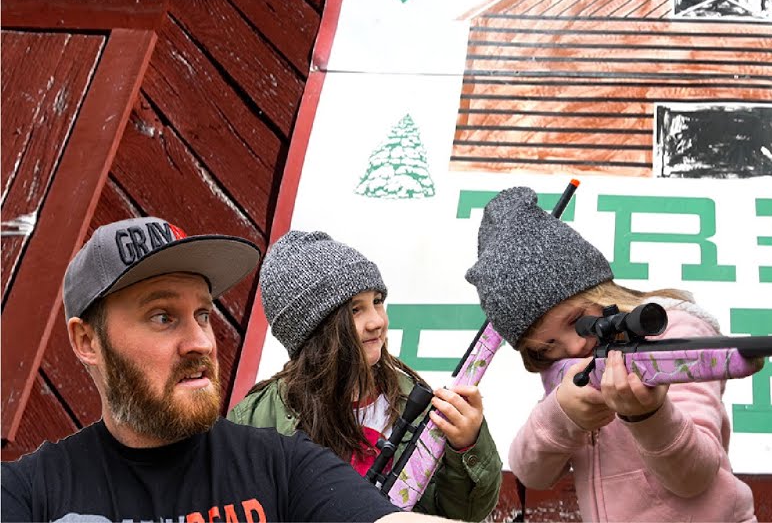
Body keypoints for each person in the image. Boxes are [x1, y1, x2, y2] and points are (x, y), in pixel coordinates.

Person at [1, 216, 442, 523]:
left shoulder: (283, 467)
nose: (201, 342)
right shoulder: (29, 494)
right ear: (87, 342)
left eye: (203, 315)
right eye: (162, 317)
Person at [465, 187, 757, 522]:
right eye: (547, 347)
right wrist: (562, 414)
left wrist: (649, 416)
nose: (574, 347)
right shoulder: (566, 371)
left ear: (599, 291)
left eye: (577, 321)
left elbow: (695, 477)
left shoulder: (673, 335)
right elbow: (531, 473)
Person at [229, 230, 501, 520]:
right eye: (356, 309)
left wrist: (467, 446)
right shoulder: (255, 421)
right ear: (314, 330)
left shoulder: (413, 401)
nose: (376, 321)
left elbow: (461, 512)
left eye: (377, 301)